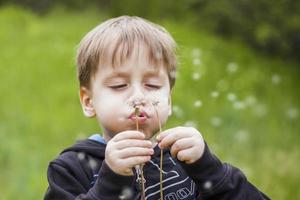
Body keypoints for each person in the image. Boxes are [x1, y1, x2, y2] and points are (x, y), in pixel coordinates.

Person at [44, 16, 270, 200]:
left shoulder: (186, 159)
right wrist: (110, 183)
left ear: (169, 101)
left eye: (152, 85)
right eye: (119, 85)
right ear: (88, 101)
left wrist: (211, 170)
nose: (138, 97)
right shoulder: (72, 168)